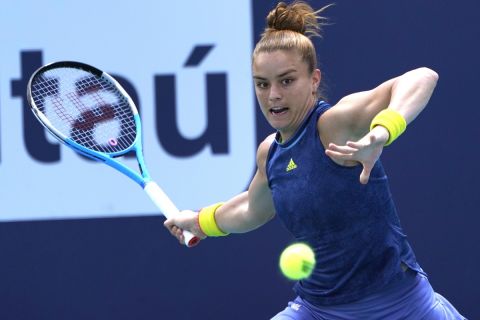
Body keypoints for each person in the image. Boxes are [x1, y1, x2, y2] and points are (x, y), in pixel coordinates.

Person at [164, 1, 466, 319]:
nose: (273, 95)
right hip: (318, 310)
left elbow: (422, 77)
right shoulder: (271, 153)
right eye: (262, 84)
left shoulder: (336, 124)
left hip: (401, 306)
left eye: (287, 80)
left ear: (314, 79)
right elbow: (252, 208)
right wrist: (199, 222)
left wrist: (381, 132)